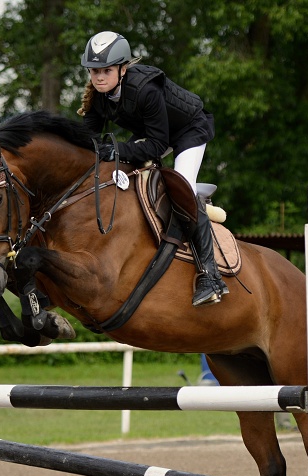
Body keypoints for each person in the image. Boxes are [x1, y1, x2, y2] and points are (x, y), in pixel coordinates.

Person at [77, 31, 226, 306]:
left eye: (106, 70)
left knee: (181, 186)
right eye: (94, 71)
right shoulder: (100, 97)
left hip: (188, 130)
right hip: (157, 133)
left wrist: (118, 149)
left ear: (122, 69)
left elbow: (157, 146)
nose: (99, 77)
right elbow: (88, 141)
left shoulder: (146, 89)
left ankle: (210, 276)